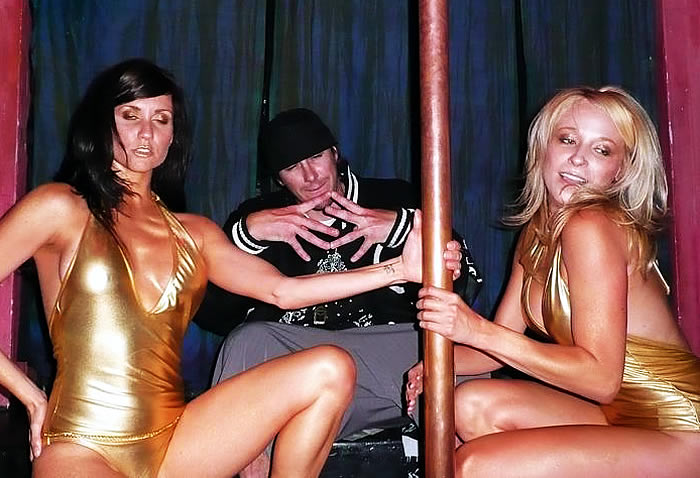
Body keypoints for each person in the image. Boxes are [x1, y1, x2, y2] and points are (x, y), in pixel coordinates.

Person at [0, 59, 462, 478]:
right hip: (82, 443)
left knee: (330, 368)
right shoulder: (60, 207)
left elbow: (282, 292)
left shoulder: (194, 232)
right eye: (130, 115)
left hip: (176, 441)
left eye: (161, 120)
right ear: (103, 124)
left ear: (173, 135)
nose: (146, 133)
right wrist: (31, 397)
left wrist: (399, 270)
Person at [406, 86, 700, 477]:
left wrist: (474, 328)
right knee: (469, 404)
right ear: (543, 146)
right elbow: (495, 350)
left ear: (621, 171)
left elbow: (600, 379)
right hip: (617, 414)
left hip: (679, 428)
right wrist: (434, 363)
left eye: (602, 150)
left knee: (474, 466)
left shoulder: (591, 225)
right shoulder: (539, 231)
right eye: (567, 139)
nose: (578, 158)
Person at [193, 108, 482, 477]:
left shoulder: (393, 197)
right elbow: (213, 315)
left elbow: (465, 286)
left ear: (335, 153)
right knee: (248, 341)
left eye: (316, 157)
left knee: (463, 367)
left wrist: (399, 228)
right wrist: (245, 237)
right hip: (305, 369)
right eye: (293, 167)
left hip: (392, 363)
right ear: (279, 178)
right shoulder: (263, 217)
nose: (311, 176)